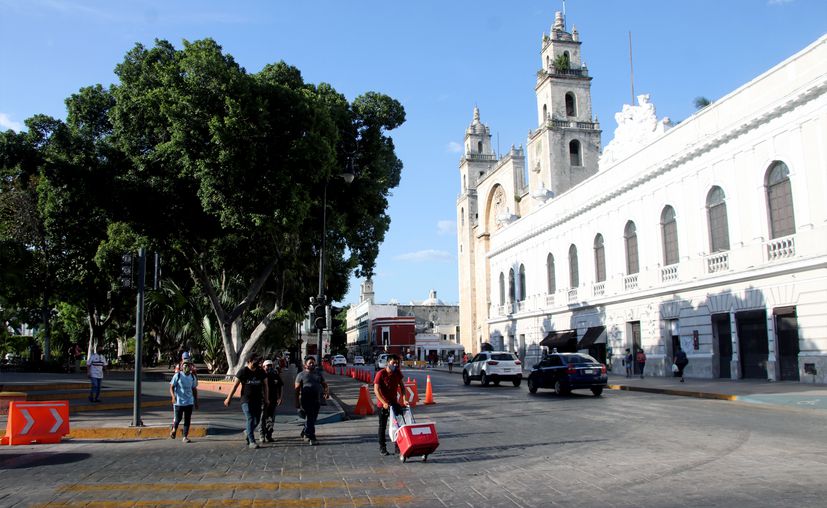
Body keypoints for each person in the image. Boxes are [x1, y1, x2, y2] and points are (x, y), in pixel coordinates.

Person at [224, 354, 269, 449]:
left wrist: (266, 398)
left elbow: (265, 385)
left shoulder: (261, 371)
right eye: (254, 362)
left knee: (256, 420)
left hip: (258, 399)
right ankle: (251, 441)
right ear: (249, 361)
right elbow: (235, 386)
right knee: (250, 418)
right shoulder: (243, 371)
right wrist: (228, 398)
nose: (256, 364)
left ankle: (247, 431)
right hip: (246, 400)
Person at [373, 354, 407, 456]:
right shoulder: (381, 373)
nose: (395, 365)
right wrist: (383, 403)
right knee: (382, 426)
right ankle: (382, 447)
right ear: (388, 363)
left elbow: (402, 387)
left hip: (394, 403)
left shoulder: (397, 373)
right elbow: (376, 390)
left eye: (397, 363)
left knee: (399, 425)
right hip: (383, 404)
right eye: (393, 363)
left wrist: (404, 399)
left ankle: (398, 446)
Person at [294, 356, 329, 446]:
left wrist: (326, 392)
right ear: (305, 365)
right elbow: (297, 390)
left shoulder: (318, 374)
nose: (312, 364)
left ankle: (305, 432)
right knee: (310, 417)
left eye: (313, 362)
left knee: (313, 419)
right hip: (306, 400)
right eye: (310, 363)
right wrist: (297, 402)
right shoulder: (300, 375)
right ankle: (312, 437)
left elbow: (325, 385)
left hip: (317, 399)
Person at [169, 357, 198, 443]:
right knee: (178, 418)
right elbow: (171, 387)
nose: (186, 367)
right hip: (179, 402)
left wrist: (196, 401)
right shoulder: (177, 375)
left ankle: (185, 436)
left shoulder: (192, 377)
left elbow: (194, 389)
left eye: (188, 365)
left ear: (190, 366)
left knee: (187, 420)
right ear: (182, 366)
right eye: (184, 365)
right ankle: (174, 429)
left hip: (189, 402)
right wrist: (173, 396)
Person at [260, 359, 284, 443]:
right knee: (262, 418)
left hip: (273, 400)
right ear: (263, 366)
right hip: (263, 401)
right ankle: (262, 435)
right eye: (267, 366)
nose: (269, 367)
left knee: (271, 419)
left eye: (270, 365)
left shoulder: (275, 374)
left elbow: (280, 386)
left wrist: (280, 397)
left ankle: (269, 435)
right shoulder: (260, 375)